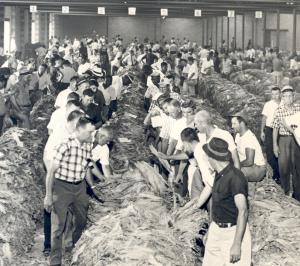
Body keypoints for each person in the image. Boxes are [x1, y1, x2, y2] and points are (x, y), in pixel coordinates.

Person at [44, 117, 104, 266]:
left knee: (81, 221)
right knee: (58, 226)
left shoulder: (87, 144)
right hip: (62, 187)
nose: (91, 136)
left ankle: (75, 251)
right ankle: (55, 260)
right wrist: (48, 196)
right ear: (79, 130)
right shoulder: (64, 145)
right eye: (89, 132)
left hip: (80, 187)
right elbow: (51, 172)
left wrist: (104, 179)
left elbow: (89, 165)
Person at [202, 137, 251, 266]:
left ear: (212, 158)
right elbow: (218, 205)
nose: (206, 159)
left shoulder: (235, 177)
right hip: (216, 229)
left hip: (232, 232)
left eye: (207, 156)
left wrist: (237, 244)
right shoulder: (218, 174)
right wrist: (211, 230)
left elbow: (243, 211)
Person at [271, 85, 300, 200]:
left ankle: (297, 195)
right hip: (283, 140)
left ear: (293, 97)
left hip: (296, 141)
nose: (288, 98)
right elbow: (275, 128)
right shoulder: (278, 111)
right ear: (282, 98)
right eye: (286, 96)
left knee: (297, 168)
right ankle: (285, 192)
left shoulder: (298, 109)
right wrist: (275, 145)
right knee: (283, 167)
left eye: (290, 96)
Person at [231, 112, 267, 195]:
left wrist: (235, 165)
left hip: (258, 168)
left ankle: (247, 192)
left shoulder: (249, 138)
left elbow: (249, 161)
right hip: (249, 166)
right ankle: (249, 185)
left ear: (242, 123)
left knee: (236, 172)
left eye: (234, 124)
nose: (232, 126)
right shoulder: (238, 135)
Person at [261, 86, 281, 182]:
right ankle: (277, 173)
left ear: (280, 94)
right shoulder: (268, 104)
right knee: (270, 155)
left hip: (281, 131)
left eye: (276, 94)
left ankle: (279, 175)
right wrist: (262, 131)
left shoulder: (284, 103)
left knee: (279, 153)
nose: (274, 96)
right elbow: (264, 118)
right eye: (273, 94)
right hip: (269, 130)